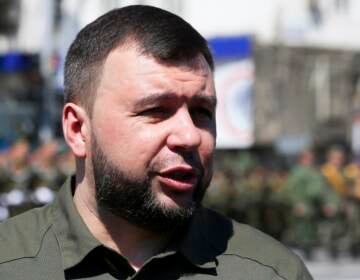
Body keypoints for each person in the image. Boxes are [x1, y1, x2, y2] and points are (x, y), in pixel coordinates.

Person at [0, 5, 312, 279]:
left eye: (202, 112)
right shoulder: (11, 264)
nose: (189, 136)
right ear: (78, 129)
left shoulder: (269, 272)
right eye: (155, 111)